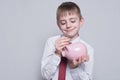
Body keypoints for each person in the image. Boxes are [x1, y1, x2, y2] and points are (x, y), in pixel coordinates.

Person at [41, 1, 94, 80]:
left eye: (72, 21)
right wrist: (57, 53)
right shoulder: (51, 42)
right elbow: (46, 75)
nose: (68, 25)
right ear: (58, 25)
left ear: (81, 21)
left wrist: (74, 68)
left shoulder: (88, 49)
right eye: (63, 23)